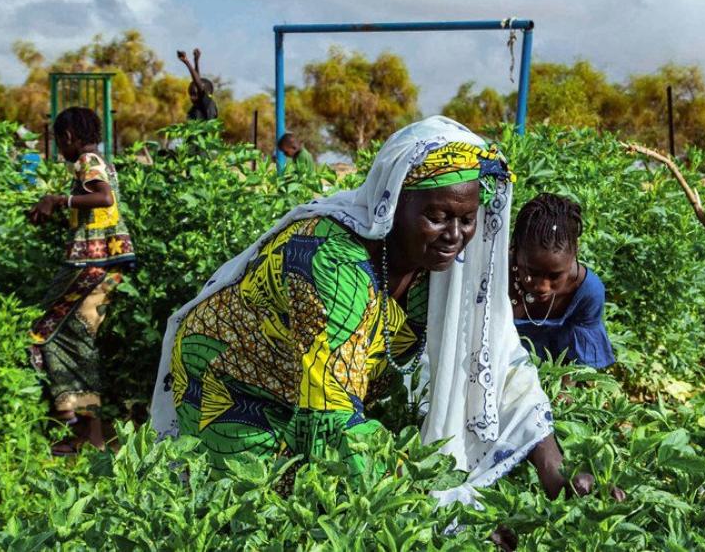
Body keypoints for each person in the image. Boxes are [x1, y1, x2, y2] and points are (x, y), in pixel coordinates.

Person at [149, 116, 605, 505]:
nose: (455, 234)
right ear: (393, 201)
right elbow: (331, 421)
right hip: (234, 388)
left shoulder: (444, 264)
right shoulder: (328, 261)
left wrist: (555, 469)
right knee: (266, 507)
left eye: (467, 219)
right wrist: (439, 510)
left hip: (318, 396)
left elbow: (498, 361)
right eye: (438, 216)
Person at [26, 107, 136, 455]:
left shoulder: (87, 160)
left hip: (89, 268)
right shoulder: (99, 160)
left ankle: (76, 422)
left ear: (69, 137)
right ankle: (87, 433)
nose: (61, 150)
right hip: (103, 267)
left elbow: (104, 197)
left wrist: (57, 200)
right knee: (78, 344)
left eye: (60, 141)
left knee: (44, 331)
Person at [510, 193, 614, 370]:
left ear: (574, 254)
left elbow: (575, 367)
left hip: (549, 378)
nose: (542, 287)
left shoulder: (586, 292)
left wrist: (559, 395)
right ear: (515, 249)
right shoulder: (494, 276)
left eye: (555, 276)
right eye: (531, 272)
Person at [177, 48, 218, 121]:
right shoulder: (197, 107)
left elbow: (199, 86)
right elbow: (197, 84)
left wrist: (187, 62)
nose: (192, 97)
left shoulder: (207, 103)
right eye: (191, 94)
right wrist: (196, 61)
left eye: (194, 94)